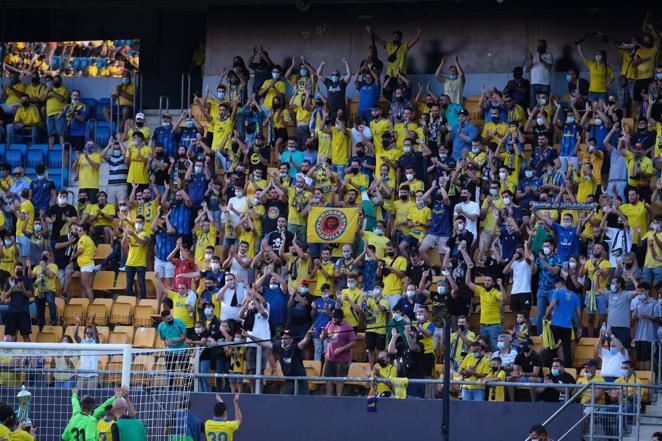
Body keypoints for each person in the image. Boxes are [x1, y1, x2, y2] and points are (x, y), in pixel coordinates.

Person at [321, 309, 357, 396]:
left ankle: (339, 398)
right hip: (329, 357)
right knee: (328, 380)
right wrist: (323, 334)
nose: (334, 320)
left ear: (341, 318)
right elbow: (322, 338)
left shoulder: (348, 327)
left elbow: (353, 342)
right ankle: (329, 398)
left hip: (342, 359)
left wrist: (341, 349)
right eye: (333, 318)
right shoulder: (330, 324)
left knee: (339, 380)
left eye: (336, 318)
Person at [1, 262, 33, 341]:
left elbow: (30, 294)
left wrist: (23, 290)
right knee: (8, 337)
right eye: (17, 269)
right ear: (14, 269)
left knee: (26, 336)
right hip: (11, 312)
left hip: (24, 311)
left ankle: (29, 354)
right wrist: (12, 288)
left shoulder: (27, 280)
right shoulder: (10, 280)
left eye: (21, 269)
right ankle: (9, 354)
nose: (19, 270)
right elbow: (5, 296)